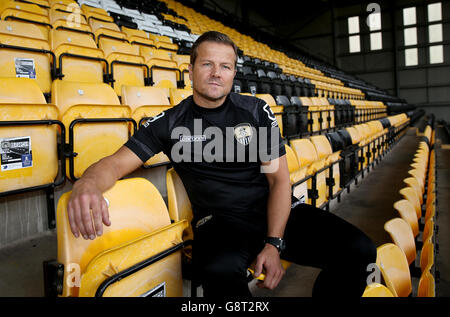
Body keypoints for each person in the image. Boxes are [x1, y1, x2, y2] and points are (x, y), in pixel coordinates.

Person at [67, 31, 377, 297]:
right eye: (207, 64)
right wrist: (87, 184)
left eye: (225, 66)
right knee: (218, 271)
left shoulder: (255, 111)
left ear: (233, 73)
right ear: (191, 70)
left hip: (270, 208)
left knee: (359, 250)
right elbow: (114, 163)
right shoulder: (169, 123)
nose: (217, 73)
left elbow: (279, 181)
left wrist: (274, 243)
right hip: (220, 222)